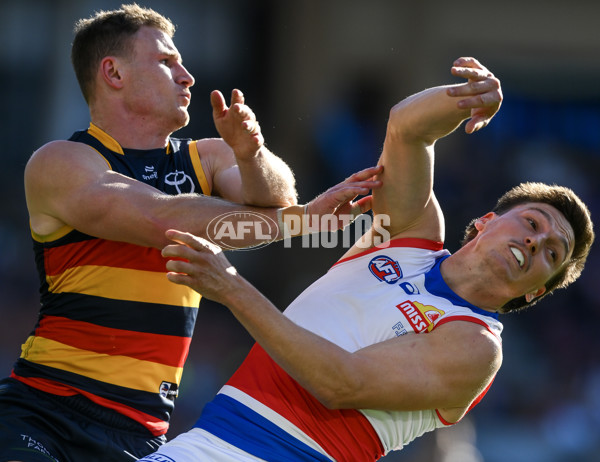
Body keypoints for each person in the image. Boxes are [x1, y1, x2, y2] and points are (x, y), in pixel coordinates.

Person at [140, 57, 595, 462]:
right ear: (484, 221)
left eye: (552, 253)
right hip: (208, 438)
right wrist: (469, 98)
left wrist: (231, 287)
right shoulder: (411, 235)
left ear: (536, 290)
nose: (536, 242)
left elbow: (341, 384)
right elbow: (407, 128)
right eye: (532, 223)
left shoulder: (477, 347)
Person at [0, 4, 382, 462]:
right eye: (166, 62)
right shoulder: (62, 161)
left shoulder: (209, 156)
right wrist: (303, 220)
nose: (187, 76)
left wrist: (252, 153)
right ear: (113, 72)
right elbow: (163, 219)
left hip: (140, 432)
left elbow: (277, 196)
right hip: (43, 411)